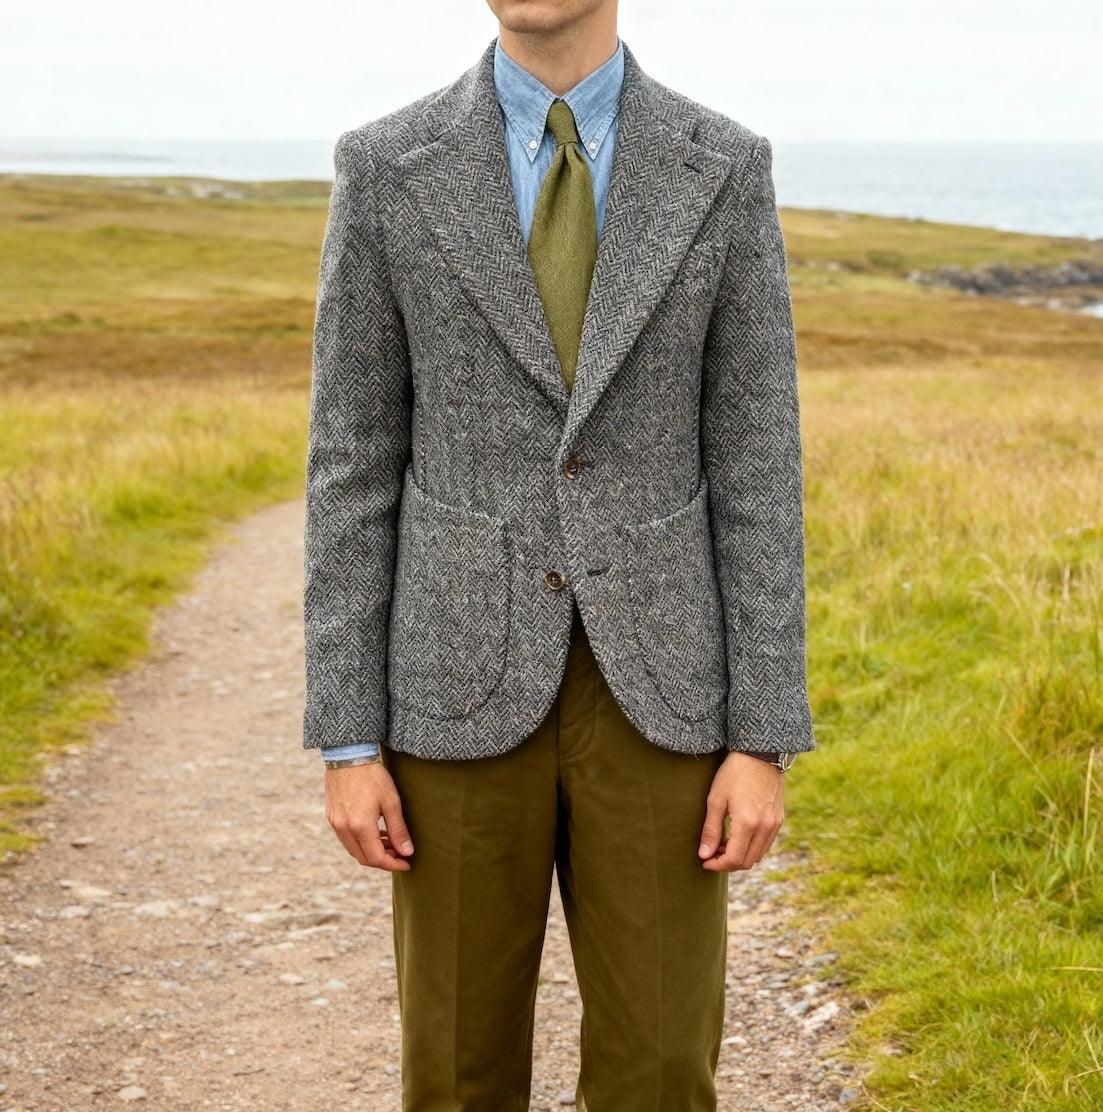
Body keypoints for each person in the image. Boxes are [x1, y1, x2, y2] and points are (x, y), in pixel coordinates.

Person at [302, 1, 814, 1108]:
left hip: (663, 690)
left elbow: (758, 469)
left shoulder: (725, 165)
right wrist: (346, 738)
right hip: (448, 682)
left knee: (661, 1070)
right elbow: (350, 465)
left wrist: (763, 736)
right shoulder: (385, 165)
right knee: (455, 1070)